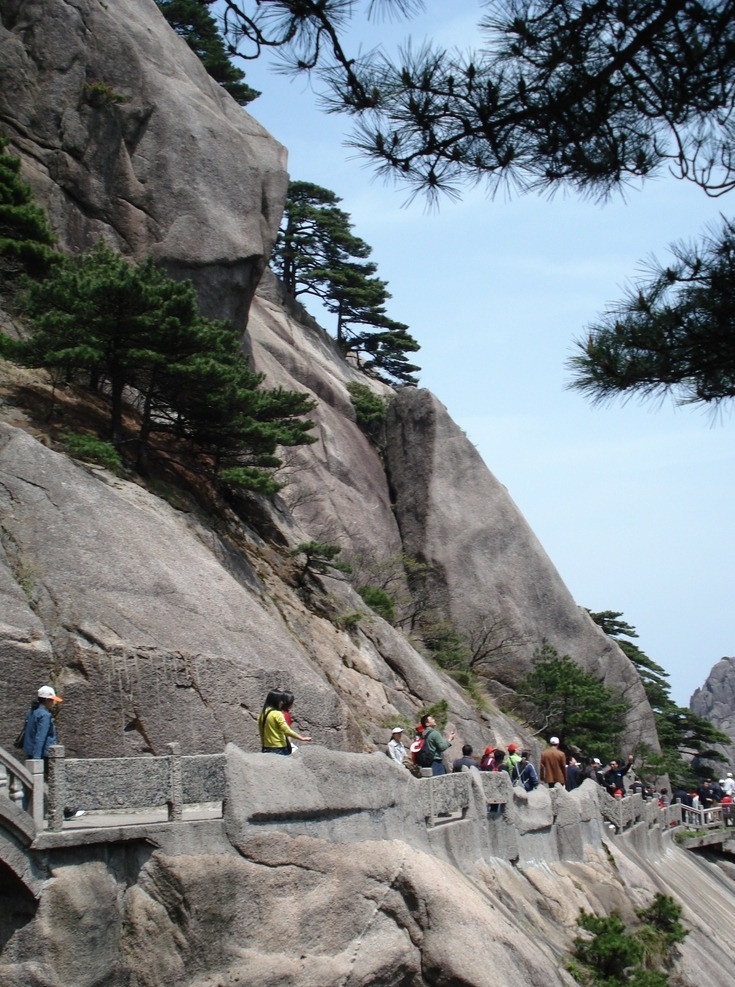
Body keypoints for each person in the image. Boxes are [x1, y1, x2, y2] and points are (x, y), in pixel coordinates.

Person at [23, 685, 84, 819]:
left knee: (35, 784)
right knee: (56, 782)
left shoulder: (32, 712)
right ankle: (62, 811)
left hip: (31, 752)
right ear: (46, 700)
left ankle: (52, 810)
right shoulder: (45, 715)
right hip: (44, 755)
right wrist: (37, 758)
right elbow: (41, 736)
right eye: (52, 700)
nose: (53, 702)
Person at [258, 689, 311, 754]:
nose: (282, 702)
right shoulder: (277, 714)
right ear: (276, 701)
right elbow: (286, 731)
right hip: (279, 748)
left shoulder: (262, 714)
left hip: (266, 748)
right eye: (280, 700)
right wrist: (301, 738)